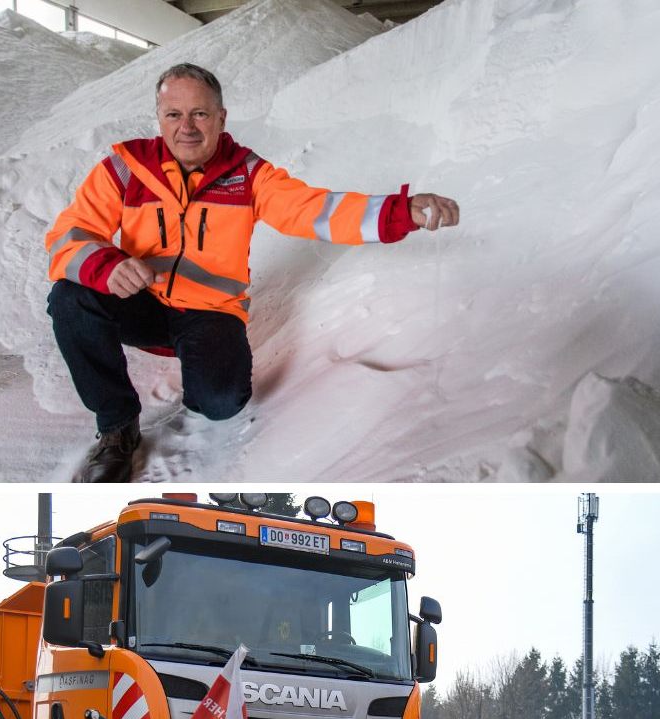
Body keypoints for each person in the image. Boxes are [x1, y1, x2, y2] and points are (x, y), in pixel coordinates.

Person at [46, 62, 460, 482]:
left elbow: (314, 210)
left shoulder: (247, 174)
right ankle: (117, 428)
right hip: (142, 304)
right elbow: (69, 234)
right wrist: (108, 265)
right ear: (159, 119)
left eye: (200, 114)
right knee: (69, 296)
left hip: (208, 314)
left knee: (220, 403)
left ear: (221, 118)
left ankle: (200, 366)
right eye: (174, 115)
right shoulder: (126, 166)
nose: (186, 127)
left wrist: (398, 212)